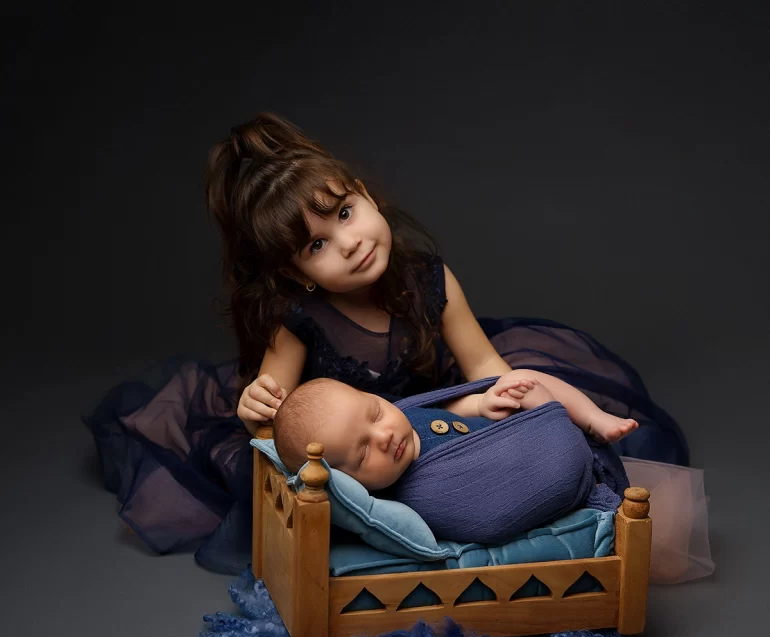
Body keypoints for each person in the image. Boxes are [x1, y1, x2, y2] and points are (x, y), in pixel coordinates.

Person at [84, 111, 693, 575]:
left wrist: (513, 402)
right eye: (317, 245)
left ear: (364, 194)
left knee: (537, 416)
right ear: (298, 274)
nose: (347, 243)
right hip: (356, 446)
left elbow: (484, 368)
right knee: (320, 498)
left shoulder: (430, 279)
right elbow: (280, 423)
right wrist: (256, 408)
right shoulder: (300, 318)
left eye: (345, 214)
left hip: (431, 415)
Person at [272, 375, 631, 542]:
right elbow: (487, 515)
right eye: (363, 452)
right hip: (531, 453)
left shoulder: (401, 417)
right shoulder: (419, 495)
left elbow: (444, 408)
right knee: (538, 397)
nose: (385, 437)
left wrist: (483, 403)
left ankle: (592, 418)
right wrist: (546, 419)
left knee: (520, 376)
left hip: (503, 426)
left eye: (376, 412)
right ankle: (570, 429)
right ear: (346, 482)